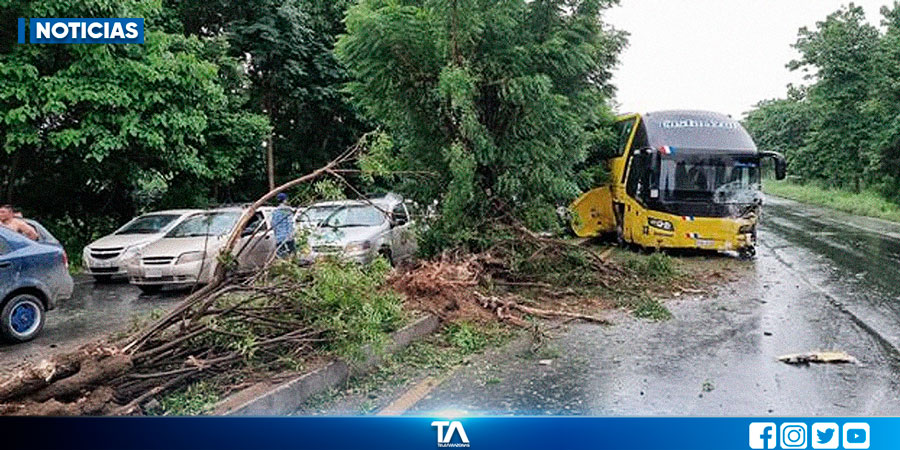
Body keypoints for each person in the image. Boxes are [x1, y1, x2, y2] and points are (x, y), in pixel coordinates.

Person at [271, 193, 296, 258]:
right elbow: (291, 223)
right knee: (292, 255)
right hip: (289, 237)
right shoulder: (288, 211)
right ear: (284, 200)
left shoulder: (275, 212)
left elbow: (273, 225)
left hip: (279, 238)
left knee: (281, 257)